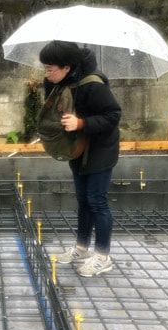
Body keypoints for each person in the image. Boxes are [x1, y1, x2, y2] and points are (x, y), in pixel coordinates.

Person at [39, 40, 121, 277]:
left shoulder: (93, 84)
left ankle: (103, 257)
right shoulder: (62, 83)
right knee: (83, 200)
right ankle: (82, 248)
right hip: (77, 149)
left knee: (97, 201)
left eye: (50, 69)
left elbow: (113, 115)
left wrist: (82, 123)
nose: (46, 74)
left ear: (67, 67)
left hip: (99, 150)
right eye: (45, 69)